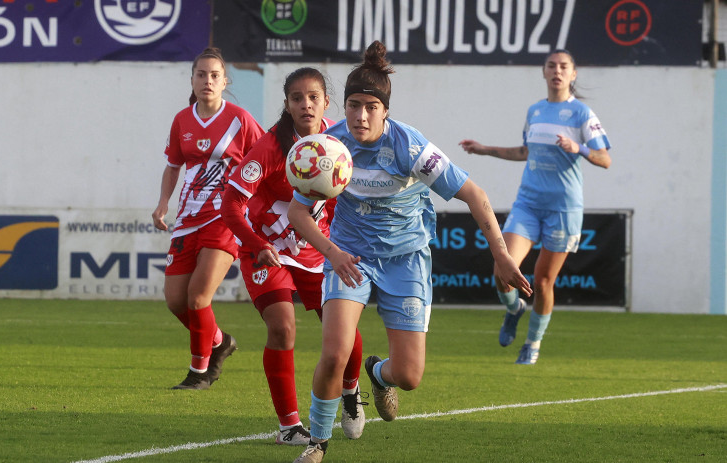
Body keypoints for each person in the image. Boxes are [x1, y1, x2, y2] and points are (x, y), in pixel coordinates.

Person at [288, 41, 532, 463]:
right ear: (342, 106)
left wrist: (502, 255)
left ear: (385, 110)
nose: (360, 115)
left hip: (406, 259)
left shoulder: (410, 147)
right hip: (351, 258)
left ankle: (378, 376)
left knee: (410, 376)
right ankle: (317, 444)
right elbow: (297, 211)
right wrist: (332, 252)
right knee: (333, 352)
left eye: (370, 106)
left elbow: (474, 194)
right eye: (352, 105)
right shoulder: (327, 147)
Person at [220, 68, 366, 445]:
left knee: (344, 331)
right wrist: (255, 244)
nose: (306, 104)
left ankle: (350, 393)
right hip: (268, 252)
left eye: (313, 97)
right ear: (286, 104)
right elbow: (232, 203)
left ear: (325, 103)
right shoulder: (270, 147)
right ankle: (289, 427)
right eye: (297, 98)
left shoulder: (339, 142)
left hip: (317, 251)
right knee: (283, 328)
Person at [459, 49, 612, 365]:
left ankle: (533, 343)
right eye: (552, 65)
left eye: (564, 66)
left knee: (543, 282)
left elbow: (605, 159)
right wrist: (484, 149)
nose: (557, 71)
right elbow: (525, 152)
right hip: (528, 203)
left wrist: (579, 147)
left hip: (562, 208)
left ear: (573, 74)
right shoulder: (535, 111)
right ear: (544, 72)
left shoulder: (583, 114)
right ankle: (514, 308)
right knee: (503, 270)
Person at [152, 47, 265, 389]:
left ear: (225, 81)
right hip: (188, 218)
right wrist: (163, 204)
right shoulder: (182, 120)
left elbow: (265, 159)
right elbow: (173, 167)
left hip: (224, 219)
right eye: (201, 74)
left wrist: (258, 209)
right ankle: (220, 341)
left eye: (215, 75)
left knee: (198, 298)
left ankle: (200, 372)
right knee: (176, 301)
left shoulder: (240, 119)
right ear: (192, 79)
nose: (208, 81)